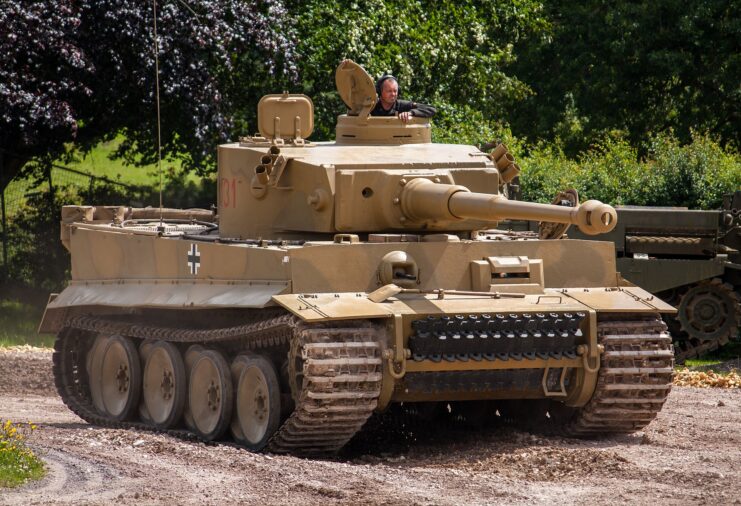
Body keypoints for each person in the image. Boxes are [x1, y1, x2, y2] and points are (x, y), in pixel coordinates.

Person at [370, 75, 436, 123]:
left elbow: (431, 109)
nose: (393, 94)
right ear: (380, 91)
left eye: (395, 91)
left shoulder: (401, 105)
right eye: (389, 91)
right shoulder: (372, 106)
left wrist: (411, 113)